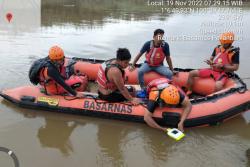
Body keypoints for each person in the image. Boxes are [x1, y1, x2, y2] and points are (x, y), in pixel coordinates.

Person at [129, 29, 174, 93]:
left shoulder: (165, 45)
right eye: (159, 37)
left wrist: (171, 69)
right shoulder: (148, 44)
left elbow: (168, 58)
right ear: (154, 37)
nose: (160, 39)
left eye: (162, 37)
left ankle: (167, 89)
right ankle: (142, 87)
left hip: (159, 66)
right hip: (148, 64)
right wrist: (132, 65)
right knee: (140, 71)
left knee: (169, 73)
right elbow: (139, 55)